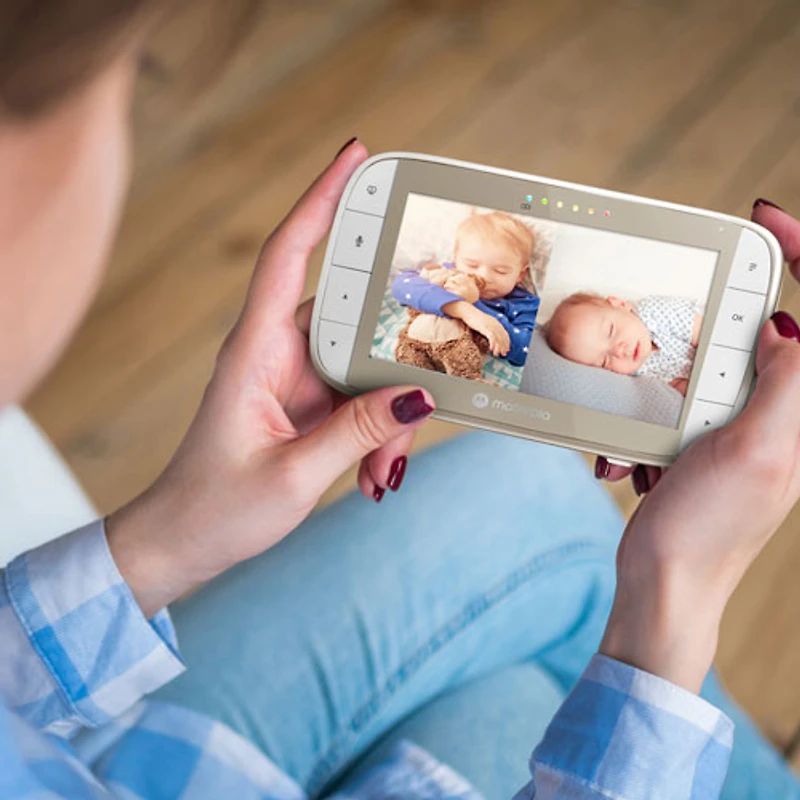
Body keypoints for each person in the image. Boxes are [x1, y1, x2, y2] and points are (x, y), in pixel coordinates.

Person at [2, 3, 800, 798]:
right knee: (524, 686)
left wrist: (167, 540)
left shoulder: (526, 297)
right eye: (131, 75)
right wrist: (677, 596)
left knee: (535, 492)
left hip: (114, 757)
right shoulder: (482, 303)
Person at [392, 211, 540, 362]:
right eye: (472, 265)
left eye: (500, 271)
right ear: (456, 260)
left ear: (520, 275)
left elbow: (524, 352)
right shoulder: (448, 274)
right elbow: (401, 285)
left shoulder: (524, 303)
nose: (485, 276)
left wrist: (477, 305)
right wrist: (467, 311)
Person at [544, 292, 703, 395]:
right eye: (605, 361)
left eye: (611, 332)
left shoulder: (655, 312)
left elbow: (707, 335)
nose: (619, 351)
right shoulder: (641, 377)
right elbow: (682, 390)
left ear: (620, 305)